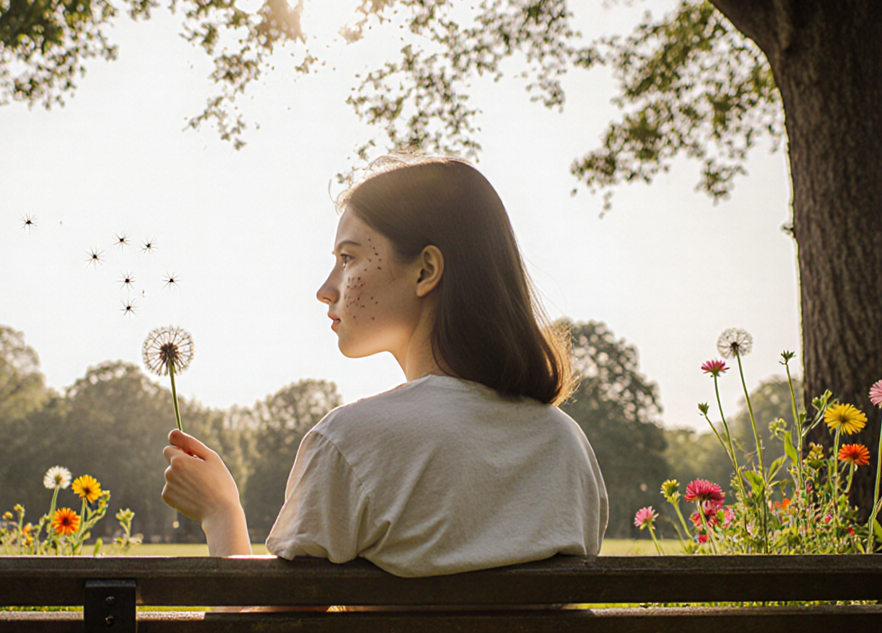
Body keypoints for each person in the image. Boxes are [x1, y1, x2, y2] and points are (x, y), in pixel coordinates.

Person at [160, 156, 608, 577]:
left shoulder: (350, 443)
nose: (326, 289)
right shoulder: (566, 447)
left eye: (348, 258)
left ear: (425, 270)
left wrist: (221, 511)